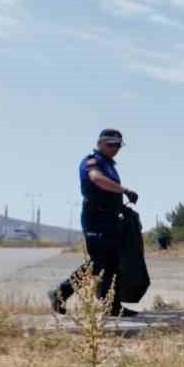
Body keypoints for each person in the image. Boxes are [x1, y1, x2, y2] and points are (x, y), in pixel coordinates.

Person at [49, 129, 139, 318]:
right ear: (100, 143)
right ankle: (60, 293)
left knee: (113, 263)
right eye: (111, 144)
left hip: (111, 219)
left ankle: (112, 306)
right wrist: (124, 189)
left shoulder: (109, 165)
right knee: (97, 263)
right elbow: (96, 179)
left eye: (118, 145)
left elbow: (108, 191)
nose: (115, 148)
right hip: (96, 220)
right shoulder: (93, 161)